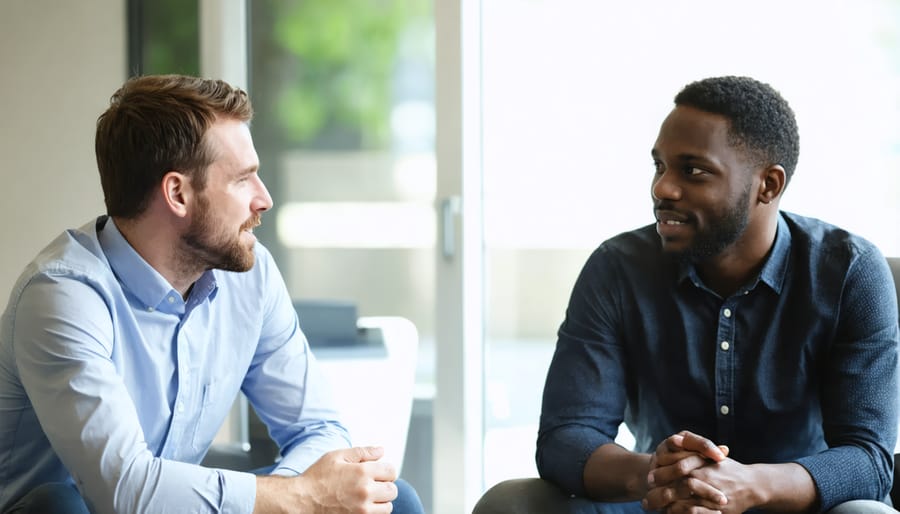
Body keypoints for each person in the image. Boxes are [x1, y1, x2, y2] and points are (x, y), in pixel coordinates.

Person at [0, 74, 425, 514]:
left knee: (394, 499)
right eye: (244, 180)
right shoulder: (62, 297)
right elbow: (124, 491)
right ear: (178, 194)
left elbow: (319, 428)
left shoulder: (250, 276)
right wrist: (303, 496)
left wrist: (295, 499)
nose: (264, 200)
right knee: (58, 506)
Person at [473, 76, 899, 514]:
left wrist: (750, 483)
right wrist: (662, 475)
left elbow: (869, 459)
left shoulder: (849, 271)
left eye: (693, 170)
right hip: (659, 502)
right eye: (660, 166)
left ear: (767, 186)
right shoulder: (617, 268)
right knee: (512, 502)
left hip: (792, 505)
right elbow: (566, 437)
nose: (663, 188)